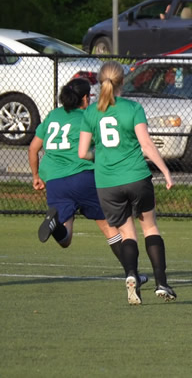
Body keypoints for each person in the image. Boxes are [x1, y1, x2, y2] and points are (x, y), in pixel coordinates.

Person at [79, 61, 176, 306]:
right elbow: (146, 145)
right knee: (150, 227)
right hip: (136, 177)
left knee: (127, 233)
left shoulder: (91, 112)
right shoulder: (133, 108)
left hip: (107, 183)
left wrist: (99, 155)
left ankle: (131, 275)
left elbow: (82, 152)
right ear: (123, 81)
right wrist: (165, 170)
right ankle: (162, 283)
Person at [30, 79, 132, 275]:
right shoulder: (88, 116)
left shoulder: (52, 116)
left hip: (55, 181)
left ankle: (54, 225)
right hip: (84, 177)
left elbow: (33, 148)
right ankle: (131, 273)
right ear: (85, 98)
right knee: (110, 228)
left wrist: (36, 176)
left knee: (65, 238)